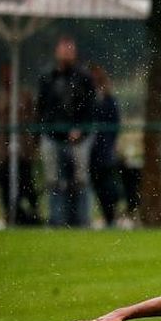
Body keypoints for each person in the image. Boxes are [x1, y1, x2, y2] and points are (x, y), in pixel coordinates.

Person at [36, 36, 96, 227]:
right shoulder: (47, 77)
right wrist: (43, 131)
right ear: (57, 52)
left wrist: (80, 129)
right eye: (64, 49)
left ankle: (82, 220)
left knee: (80, 180)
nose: (66, 53)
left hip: (80, 137)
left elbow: (90, 108)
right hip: (52, 135)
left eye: (69, 50)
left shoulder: (84, 77)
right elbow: (42, 108)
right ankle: (56, 220)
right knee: (54, 180)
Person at [0, 64, 41, 225]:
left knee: (26, 183)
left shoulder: (25, 96)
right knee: (5, 184)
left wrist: (33, 145)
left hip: (23, 150)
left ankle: (33, 213)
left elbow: (34, 119)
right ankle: (11, 214)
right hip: (4, 152)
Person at [89, 64, 121, 228]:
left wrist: (109, 144)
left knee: (105, 186)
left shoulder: (108, 100)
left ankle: (110, 218)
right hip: (93, 149)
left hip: (102, 151)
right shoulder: (87, 100)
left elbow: (115, 125)